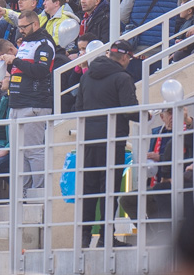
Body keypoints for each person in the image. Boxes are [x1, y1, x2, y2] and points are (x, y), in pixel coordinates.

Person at [75, 39, 138, 248]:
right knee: (108, 190)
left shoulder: (86, 77)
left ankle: (84, 237)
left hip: (89, 140)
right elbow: (130, 109)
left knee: (89, 189)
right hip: (112, 140)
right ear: (125, 57)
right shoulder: (122, 77)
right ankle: (105, 237)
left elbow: (79, 107)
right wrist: (146, 116)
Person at [0, 9, 55, 193]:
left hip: (34, 103)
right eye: (19, 27)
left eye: (24, 27)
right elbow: (21, 69)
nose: (21, 30)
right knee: (18, 153)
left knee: (33, 151)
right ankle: (22, 194)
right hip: (17, 102)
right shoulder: (25, 44)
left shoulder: (45, 44)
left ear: (35, 24)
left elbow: (41, 71)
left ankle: (38, 193)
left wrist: (15, 61)